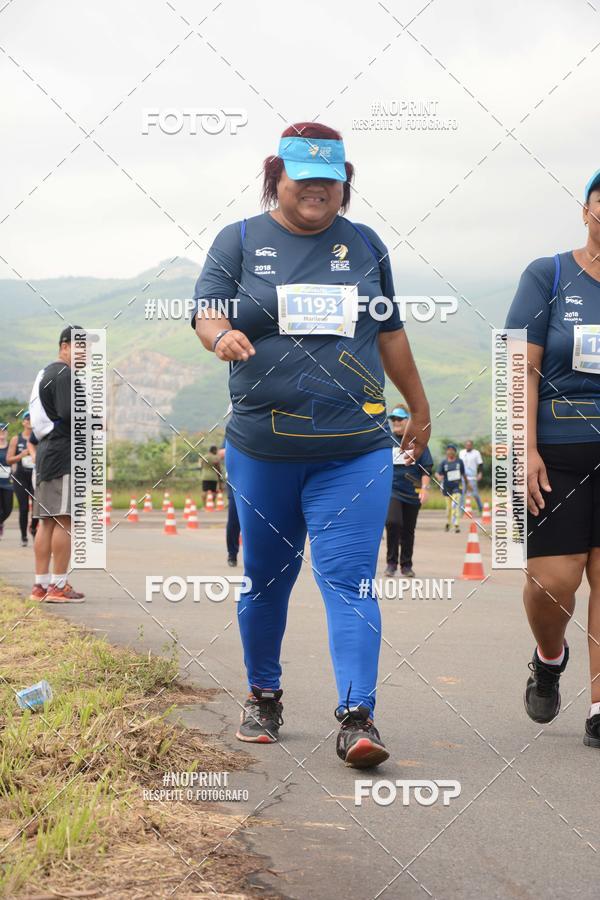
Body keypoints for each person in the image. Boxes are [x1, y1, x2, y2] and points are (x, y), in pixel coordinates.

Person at [192, 121, 430, 768]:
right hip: (262, 449)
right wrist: (219, 337)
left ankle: (358, 717)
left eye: (331, 180)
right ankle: (264, 695)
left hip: (353, 447)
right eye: (305, 179)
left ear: (344, 183)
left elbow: (389, 333)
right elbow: (207, 310)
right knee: (267, 579)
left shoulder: (366, 244)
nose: (317, 190)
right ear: (278, 177)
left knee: (350, 580)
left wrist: (419, 407)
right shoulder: (240, 239)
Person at [505, 168, 600, 747]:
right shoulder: (549, 274)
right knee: (552, 584)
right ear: (586, 210)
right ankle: (549, 656)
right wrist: (524, 449)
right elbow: (520, 365)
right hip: (556, 455)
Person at [28, 327, 85, 603]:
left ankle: (40, 586)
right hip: (63, 453)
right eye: (80, 347)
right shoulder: (64, 374)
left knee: (47, 521)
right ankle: (58, 586)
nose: (85, 354)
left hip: (46, 452)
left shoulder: (46, 373)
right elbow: (68, 413)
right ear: (65, 347)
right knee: (65, 519)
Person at [384, 405, 432, 577]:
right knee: (393, 522)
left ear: (408, 421)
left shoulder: (417, 441)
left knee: (408, 530)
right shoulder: (387, 440)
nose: (396, 422)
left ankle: (406, 565)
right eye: (393, 419)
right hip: (392, 490)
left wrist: (424, 489)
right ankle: (391, 563)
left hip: (412, 491)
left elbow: (426, 468)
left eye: (399, 419)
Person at [7, 411, 38, 546]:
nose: (30, 421)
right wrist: (22, 455)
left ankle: (33, 529)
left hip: (35, 476)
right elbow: (9, 460)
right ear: (23, 422)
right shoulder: (16, 439)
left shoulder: (39, 438)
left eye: (32, 418)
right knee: (24, 508)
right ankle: (24, 536)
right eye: (27, 419)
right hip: (20, 477)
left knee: (37, 508)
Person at [218, 441, 241, 567]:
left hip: (255, 480)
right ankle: (232, 554)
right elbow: (221, 453)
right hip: (234, 481)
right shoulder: (232, 433)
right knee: (234, 519)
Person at [437, 444, 466, 533]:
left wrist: (467, 484)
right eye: (448, 450)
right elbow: (437, 473)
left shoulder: (459, 462)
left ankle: (456, 524)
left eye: (452, 450)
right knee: (449, 508)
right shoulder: (444, 463)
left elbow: (463, 474)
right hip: (447, 487)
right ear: (446, 452)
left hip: (457, 486)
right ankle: (448, 523)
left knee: (455, 505)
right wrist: (439, 477)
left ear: (455, 452)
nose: (450, 452)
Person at [459, 439, 483, 516]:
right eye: (467, 445)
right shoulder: (461, 452)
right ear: (465, 445)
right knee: (462, 494)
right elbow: (459, 464)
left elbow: (480, 464)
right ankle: (461, 511)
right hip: (463, 477)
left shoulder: (476, 453)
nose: (468, 446)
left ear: (472, 445)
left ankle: (481, 508)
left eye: (469, 445)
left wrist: (480, 473)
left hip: (472, 477)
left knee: (475, 494)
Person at [0, 423, 14, 537]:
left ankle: (0, 522)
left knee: (8, 509)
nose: (1, 433)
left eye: (4, 431)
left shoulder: (11, 447)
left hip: (8, 483)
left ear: (7, 433)